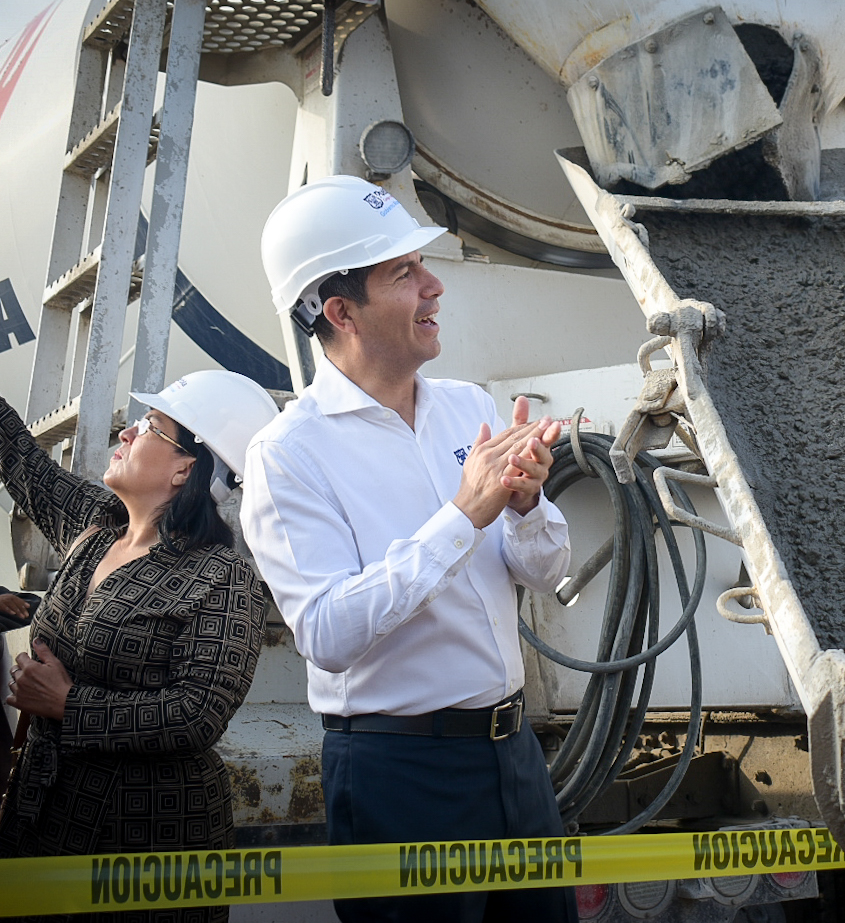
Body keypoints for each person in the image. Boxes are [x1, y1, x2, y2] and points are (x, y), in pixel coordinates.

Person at [240, 175, 575, 923]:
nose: (434, 286)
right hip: (399, 772)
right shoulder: (289, 453)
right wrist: (462, 514)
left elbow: (545, 572)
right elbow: (326, 634)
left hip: (512, 753)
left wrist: (523, 507)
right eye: (404, 273)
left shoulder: (466, 404)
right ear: (341, 312)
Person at [0, 370, 279, 923]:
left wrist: (67, 705)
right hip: (44, 820)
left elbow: (196, 714)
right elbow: (20, 460)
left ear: (186, 468)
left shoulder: (222, 578)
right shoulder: (96, 526)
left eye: (150, 425)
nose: (127, 433)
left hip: (148, 845)